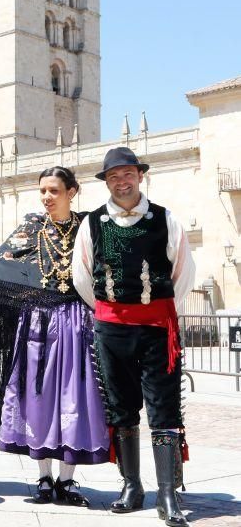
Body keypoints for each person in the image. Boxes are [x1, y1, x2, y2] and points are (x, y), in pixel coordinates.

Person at [73, 147, 195, 527]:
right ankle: (131, 485)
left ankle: (168, 494)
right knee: (121, 406)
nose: (121, 182)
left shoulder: (166, 220)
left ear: (139, 177)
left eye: (127, 175)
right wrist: (113, 310)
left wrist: (152, 306)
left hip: (158, 329)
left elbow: (183, 273)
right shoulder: (92, 223)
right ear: (106, 183)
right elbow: (83, 276)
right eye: (113, 177)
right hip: (111, 327)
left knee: (164, 407)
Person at [0, 167, 109, 507]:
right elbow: (0, 264)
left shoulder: (89, 227)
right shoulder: (31, 227)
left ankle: (67, 480)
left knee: (74, 396)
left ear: (72, 191)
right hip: (38, 323)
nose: (46, 197)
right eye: (42, 190)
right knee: (37, 396)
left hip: (76, 321)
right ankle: (43, 477)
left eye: (54, 190)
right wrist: (27, 299)